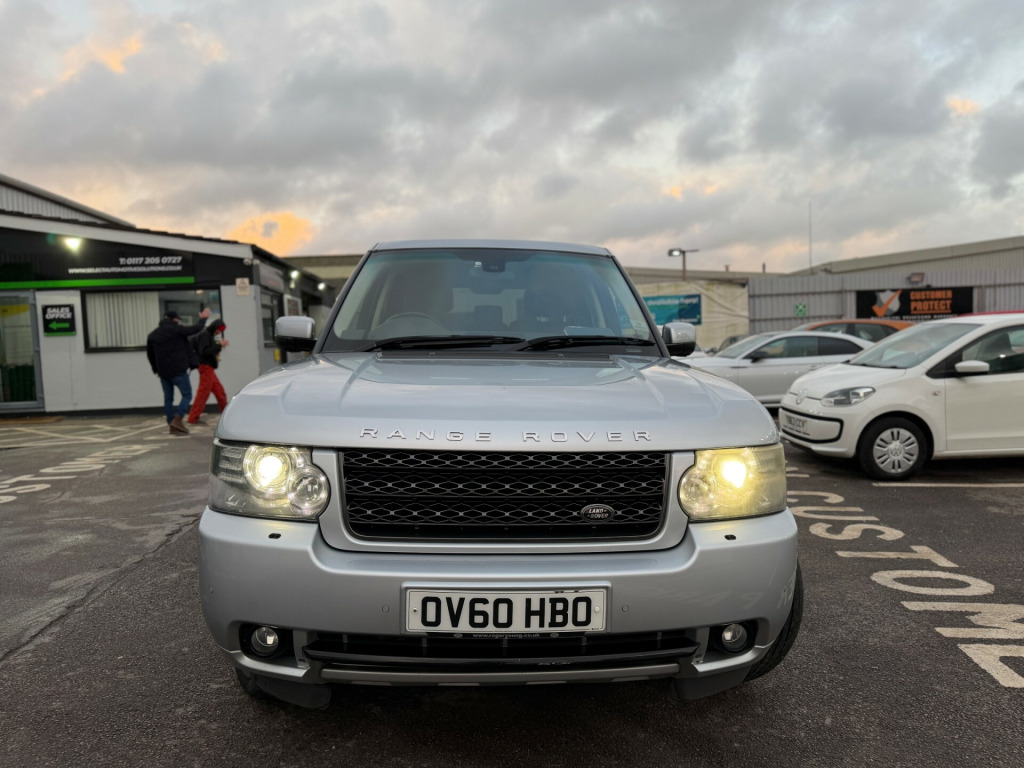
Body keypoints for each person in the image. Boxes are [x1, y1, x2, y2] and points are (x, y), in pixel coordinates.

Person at [146, 307, 211, 435]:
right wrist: (203, 319)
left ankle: (172, 424)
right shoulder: (177, 330)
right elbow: (195, 329)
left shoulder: (153, 335)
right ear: (175, 319)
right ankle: (178, 418)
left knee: (168, 398)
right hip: (179, 370)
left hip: (163, 372)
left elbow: (150, 355)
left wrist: (156, 369)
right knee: (187, 395)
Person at [187, 317, 230, 425]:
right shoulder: (205, 335)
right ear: (215, 327)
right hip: (206, 367)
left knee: (219, 391)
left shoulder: (208, 335)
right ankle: (193, 417)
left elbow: (207, 350)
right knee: (204, 392)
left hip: (208, 367)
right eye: (219, 330)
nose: (219, 332)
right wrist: (219, 345)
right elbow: (205, 352)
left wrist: (218, 347)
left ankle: (227, 415)